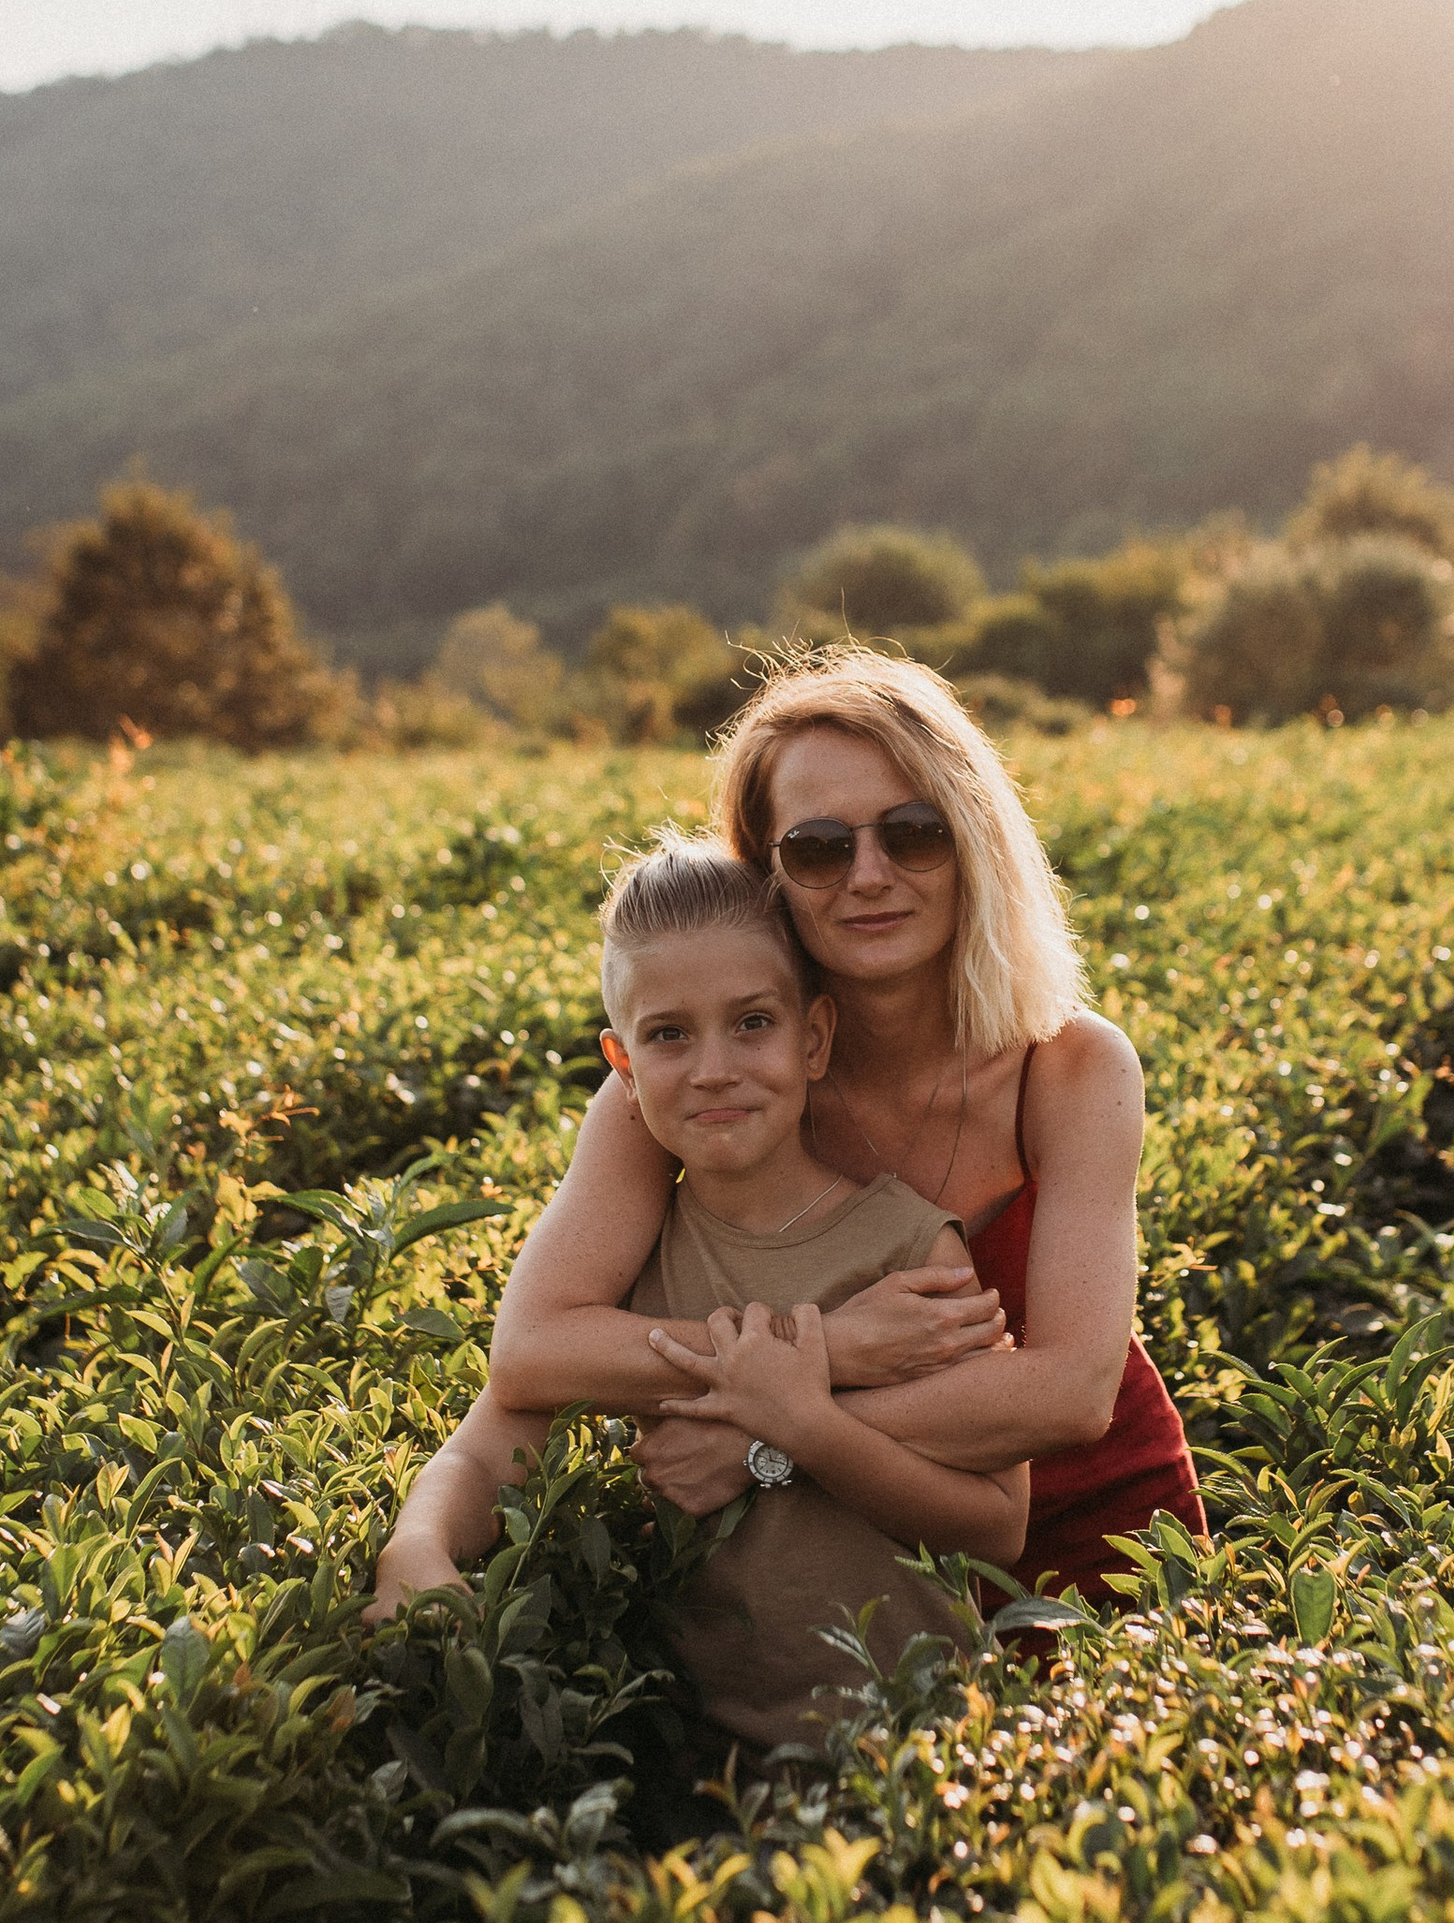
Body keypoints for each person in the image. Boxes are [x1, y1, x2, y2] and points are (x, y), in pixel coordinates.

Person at [472, 646, 1203, 1601]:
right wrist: (823, 1353)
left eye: (913, 832)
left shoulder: (1070, 1068)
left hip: (1101, 1542)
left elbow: (1069, 1392)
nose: (869, 874)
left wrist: (767, 1432)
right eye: (820, 846)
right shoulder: (719, 1077)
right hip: (849, 1563)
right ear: (765, 870)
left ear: (974, 840)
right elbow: (535, 1349)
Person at [375, 834, 1025, 1748]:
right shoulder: (632, 1279)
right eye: (669, 1034)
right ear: (623, 1066)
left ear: (816, 1038)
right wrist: (416, 1546)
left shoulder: (911, 1254)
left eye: (753, 1021)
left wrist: (801, 1425)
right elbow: (492, 1439)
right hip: (702, 1759)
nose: (713, 1066)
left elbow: (1000, 1521)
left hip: (922, 1736)